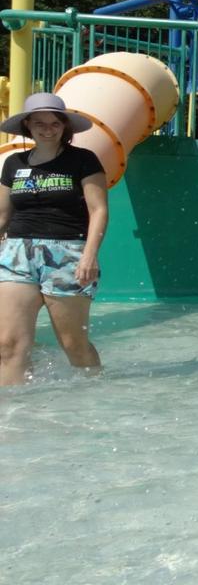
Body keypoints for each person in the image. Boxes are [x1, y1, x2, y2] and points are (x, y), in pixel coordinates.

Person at [0, 92, 108, 385]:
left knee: (73, 345)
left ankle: (96, 397)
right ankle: (14, 416)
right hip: (17, 254)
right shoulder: (13, 163)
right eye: (39, 123)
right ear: (28, 127)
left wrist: (89, 256)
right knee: (7, 345)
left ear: (64, 127)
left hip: (67, 255)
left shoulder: (83, 160)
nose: (47, 129)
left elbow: (98, 210)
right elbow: (2, 216)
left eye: (54, 123)